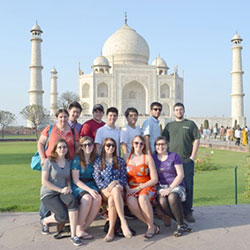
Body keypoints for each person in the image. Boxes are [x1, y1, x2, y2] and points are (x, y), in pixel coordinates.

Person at [38, 108, 79, 220]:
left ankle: (62, 217)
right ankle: (44, 217)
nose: (63, 119)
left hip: (66, 164)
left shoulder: (73, 131)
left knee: (65, 189)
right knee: (48, 189)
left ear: (68, 117)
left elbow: (77, 148)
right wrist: (42, 158)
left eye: (65, 116)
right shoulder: (50, 129)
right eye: (60, 117)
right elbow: (41, 143)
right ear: (57, 118)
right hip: (51, 163)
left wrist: (71, 161)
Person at [40, 138, 82, 246]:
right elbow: (44, 181)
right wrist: (60, 189)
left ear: (67, 149)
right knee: (62, 216)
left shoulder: (68, 162)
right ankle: (45, 221)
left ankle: (74, 235)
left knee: (72, 201)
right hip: (49, 193)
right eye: (60, 147)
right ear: (55, 149)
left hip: (62, 191)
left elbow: (68, 178)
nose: (62, 149)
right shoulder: (49, 161)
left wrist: (68, 187)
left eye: (64, 147)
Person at [162, 103, 200, 223]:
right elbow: (164, 142)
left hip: (186, 160)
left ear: (184, 111)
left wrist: (192, 156)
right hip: (172, 162)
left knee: (188, 185)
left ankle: (188, 211)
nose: (179, 112)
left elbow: (197, 139)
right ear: (173, 111)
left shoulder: (190, 124)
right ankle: (177, 211)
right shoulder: (169, 126)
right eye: (177, 110)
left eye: (180, 110)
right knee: (173, 186)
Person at [93, 138, 132, 242]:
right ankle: (123, 222)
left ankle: (111, 231)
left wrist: (116, 183)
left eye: (113, 146)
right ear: (104, 147)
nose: (111, 147)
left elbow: (124, 178)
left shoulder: (119, 161)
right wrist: (110, 185)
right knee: (113, 191)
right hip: (105, 190)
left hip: (119, 189)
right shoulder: (98, 162)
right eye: (108, 145)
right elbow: (98, 180)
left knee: (112, 198)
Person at [153, 136, 192, 237]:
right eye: (158, 144)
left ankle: (179, 225)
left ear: (167, 145)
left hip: (176, 185)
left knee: (172, 197)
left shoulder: (174, 156)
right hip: (161, 187)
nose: (160, 147)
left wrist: (170, 188)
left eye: (163, 144)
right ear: (155, 146)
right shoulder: (153, 158)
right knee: (162, 201)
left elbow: (180, 175)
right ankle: (182, 223)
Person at [126, 135, 159, 238]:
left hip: (146, 186)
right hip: (131, 188)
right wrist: (128, 189)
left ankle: (150, 228)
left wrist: (139, 188)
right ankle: (151, 225)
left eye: (141, 143)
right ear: (132, 144)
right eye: (136, 143)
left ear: (144, 145)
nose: (138, 145)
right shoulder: (126, 157)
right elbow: (122, 176)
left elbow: (154, 179)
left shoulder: (147, 158)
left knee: (142, 198)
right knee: (131, 202)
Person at [71, 136, 102, 239]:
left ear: (93, 146)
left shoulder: (96, 158)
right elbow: (76, 180)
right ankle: (79, 228)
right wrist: (89, 190)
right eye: (85, 145)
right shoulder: (77, 159)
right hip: (79, 185)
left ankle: (83, 228)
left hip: (92, 184)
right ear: (81, 147)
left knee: (98, 199)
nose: (88, 147)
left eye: (89, 144)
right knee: (87, 199)